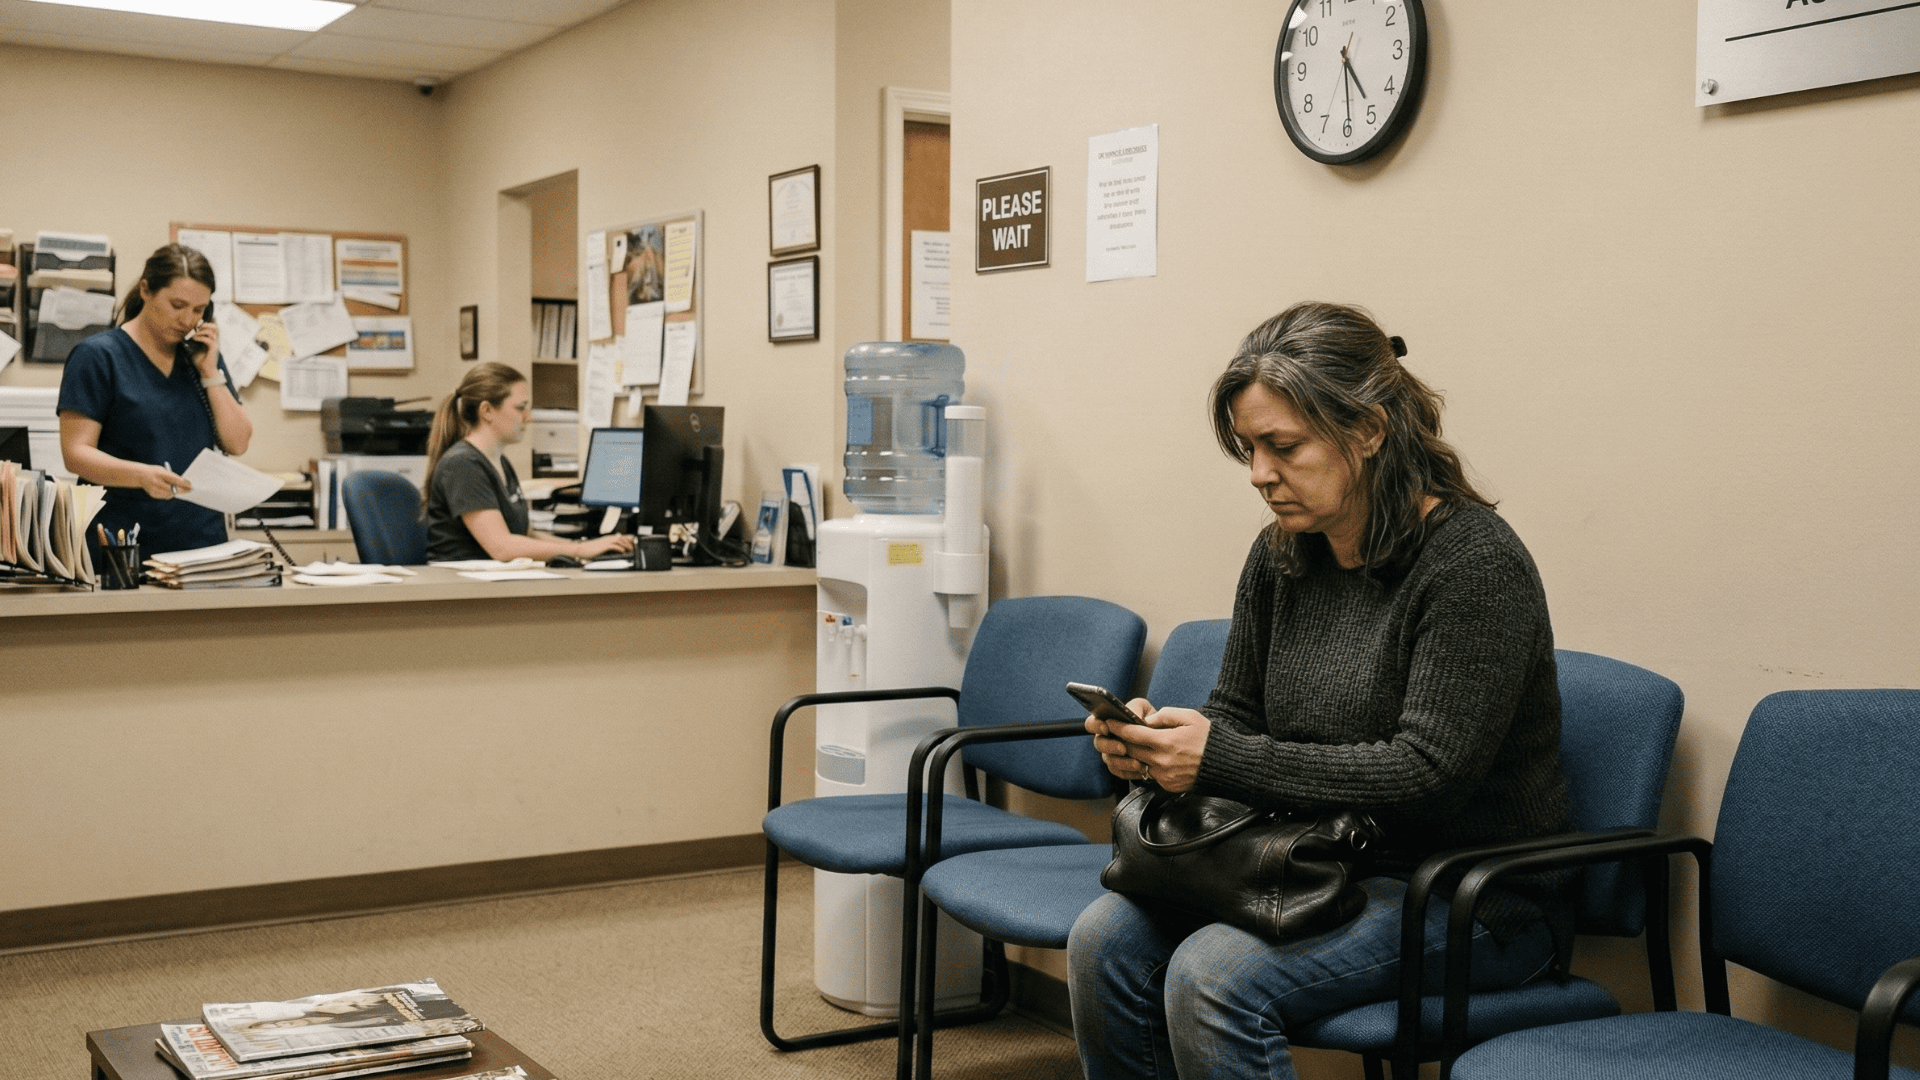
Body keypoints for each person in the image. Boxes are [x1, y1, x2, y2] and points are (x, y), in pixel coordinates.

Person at [1068, 302, 1572, 1080]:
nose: (1260, 474)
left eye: (1284, 446)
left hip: (1466, 894)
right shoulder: (1282, 554)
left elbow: (1428, 775)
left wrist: (1219, 757)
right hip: (1311, 858)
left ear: (1368, 431)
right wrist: (1161, 743)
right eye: (1248, 448)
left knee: (1212, 976)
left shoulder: (1473, 563)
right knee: (1103, 940)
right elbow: (1236, 717)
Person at [58, 243, 252, 561]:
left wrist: (209, 371)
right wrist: (141, 476)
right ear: (146, 290)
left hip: (201, 542)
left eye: (199, 310)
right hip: (124, 543)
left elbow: (238, 441)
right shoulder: (97, 356)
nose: (188, 319)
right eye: (178, 305)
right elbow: (76, 454)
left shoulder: (202, 360)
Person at [422, 362, 634, 563]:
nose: (528, 417)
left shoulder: (499, 461)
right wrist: (579, 550)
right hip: (461, 587)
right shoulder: (462, 465)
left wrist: (584, 547)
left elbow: (525, 535)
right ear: (486, 411)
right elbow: (502, 547)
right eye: (520, 407)